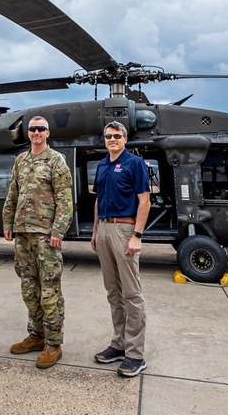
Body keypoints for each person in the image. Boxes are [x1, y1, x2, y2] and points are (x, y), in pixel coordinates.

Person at [3, 116, 74, 369]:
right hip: (22, 235)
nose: (35, 132)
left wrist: (58, 230)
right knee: (28, 289)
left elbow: (65, 199)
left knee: (49, 290)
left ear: (47, 133)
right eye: (32, 129)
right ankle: (36, 335)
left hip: (46, 236)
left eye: (40, 129)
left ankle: (54, 344)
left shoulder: (56, 161)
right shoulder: (20, 160)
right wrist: (8, 223)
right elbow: (13, 193)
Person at [91, 121, 151, 378]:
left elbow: (144, 201)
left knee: (131, 294)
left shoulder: (134, 164)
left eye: (117, 136)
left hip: (125, 230)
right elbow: (98, 199)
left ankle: (135, 355)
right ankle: (118, 343)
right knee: (113, 292)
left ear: (125, 139)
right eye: (108, 136)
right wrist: (95, 231)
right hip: (104, 229)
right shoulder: (102, 165)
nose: (112, 139)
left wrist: (137, 235)